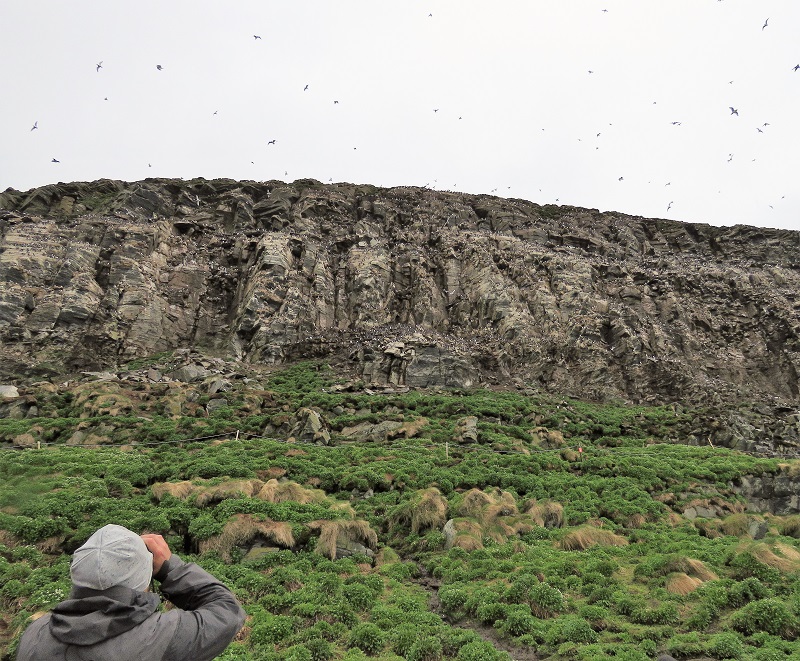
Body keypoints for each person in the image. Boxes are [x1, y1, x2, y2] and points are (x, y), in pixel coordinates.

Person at [16, 524, 246, 661]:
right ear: (145, 577)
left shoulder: (35, 634)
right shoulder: (160, 636)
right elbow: (227, 611)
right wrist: (170, 569)